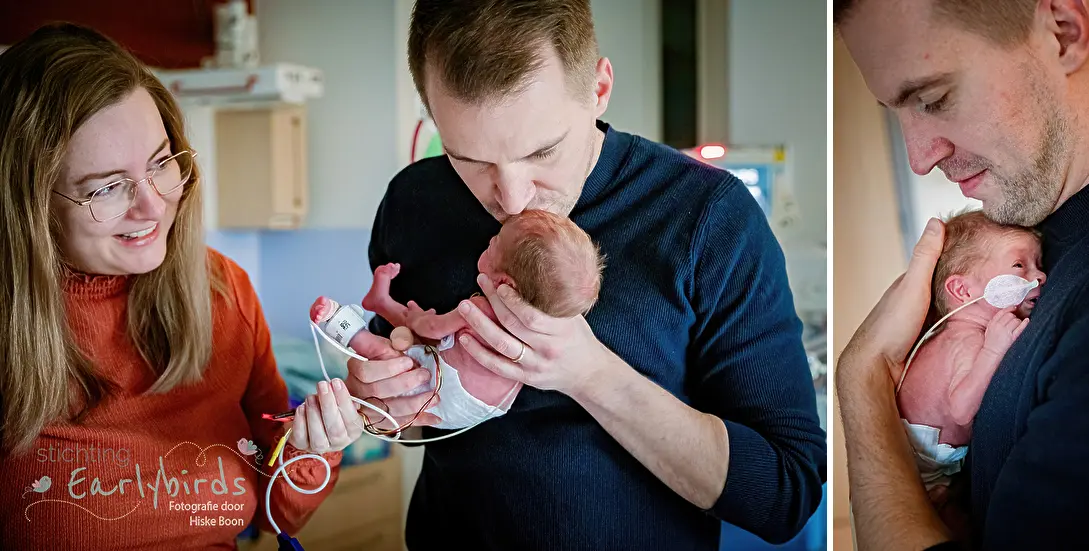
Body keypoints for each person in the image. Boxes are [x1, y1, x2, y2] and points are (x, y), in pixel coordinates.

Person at [345, 0, 827, 548]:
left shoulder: (709, 219)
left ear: (598, 89)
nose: (512, 197)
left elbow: (786, 493)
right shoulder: (413, 201)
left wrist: (588, 374)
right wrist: (383, 405)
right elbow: (404, 410)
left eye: (543, 151)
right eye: (470, 159)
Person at [834, 0, 1089, 549]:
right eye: (897, 110)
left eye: (934, 98)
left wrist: (861, 381)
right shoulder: (1028, 242)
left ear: (1064, 31)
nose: (920, 156)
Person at [0, 23, 363, 549]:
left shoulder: (224, 292)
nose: (152, 207)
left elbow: (275, 513)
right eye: (106, 186)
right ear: (30, 204)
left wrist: (314, 450)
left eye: (160, 164)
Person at [311, 208, 605, 430]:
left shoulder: (482, 308)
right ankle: (381, 302)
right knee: (419, 340)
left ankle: (339, 323)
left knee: (393, 352)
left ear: (506, 284)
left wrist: (421, 319)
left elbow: (432, 328)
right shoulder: (543, 329)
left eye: (494, 244)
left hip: (446, 393)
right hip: (482, 410)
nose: (489, 240)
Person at [896, 210, 1041, 498]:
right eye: (1019, 265)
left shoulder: (951, 335)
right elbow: (962, 409)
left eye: (1038, 263)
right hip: (922, 466)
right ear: (962, 290)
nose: (1039, 275)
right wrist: (993, 349)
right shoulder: (968, 342)